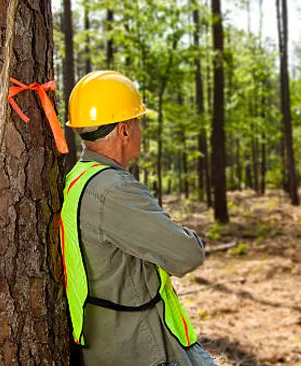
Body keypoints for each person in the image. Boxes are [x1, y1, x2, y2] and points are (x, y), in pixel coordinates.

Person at [59, 70, 215, 366]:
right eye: (138, 121)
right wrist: (191, 238)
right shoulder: (114, 191)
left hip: (112, 347)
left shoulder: (77, 179)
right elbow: (187, 255)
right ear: (124, 130)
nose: (141, 130)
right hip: (145, 350)